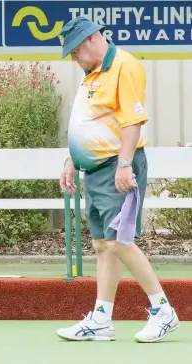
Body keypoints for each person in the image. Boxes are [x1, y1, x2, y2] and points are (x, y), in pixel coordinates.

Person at [56, 17, 179, 343]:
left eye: (73, 51)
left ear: (91, 39)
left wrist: (125, 165)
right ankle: (101, 319)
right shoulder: (92, 73)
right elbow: (90, 123)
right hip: (95, 170)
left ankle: (163, 310)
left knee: (119, 241)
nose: (72, 58)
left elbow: (132, 122)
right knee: (102, 245)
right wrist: (73, 159)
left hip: (116, 166)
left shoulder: (125, 66)